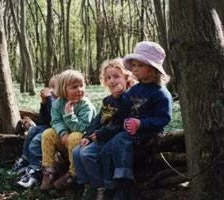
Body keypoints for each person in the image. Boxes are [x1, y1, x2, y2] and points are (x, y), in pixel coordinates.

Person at [100, 41, 173, 199]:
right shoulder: (135, 89)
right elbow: (123, 107)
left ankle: (123, 181)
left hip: (148, 132)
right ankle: (108, 184)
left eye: (139, 65)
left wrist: (142, 123)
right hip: (130, 132)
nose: (134, 69)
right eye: (133, 65)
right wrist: (117, 98)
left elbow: (164, 118)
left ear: (152, 69)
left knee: (120, 141)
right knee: (106, 149)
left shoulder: (161, 93)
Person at [72, 58, 137, 200]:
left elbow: (122, 122)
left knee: (86, 154)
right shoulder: (109, 100)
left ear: (126, 78)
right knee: (76, 152)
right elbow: (100, 120)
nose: (112, 81)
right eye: (108, 78)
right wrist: (87, 135)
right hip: (103, 135)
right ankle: (87, 185)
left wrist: (102, 134)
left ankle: (101, 187)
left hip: (114, 138)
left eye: (116, 76)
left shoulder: (130, 99)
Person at [40, 69, 97, 190]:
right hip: (65, 139)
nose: (79, 89)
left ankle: (73, 174)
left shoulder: (85, 105)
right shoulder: (58, 104)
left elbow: (83, 127)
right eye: (74, 87)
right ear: (63, 89)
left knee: (75, 136)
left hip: (83, 142)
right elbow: (55, 121)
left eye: (81, 86)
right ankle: (49, 171)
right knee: (47, 134)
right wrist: (62, 133)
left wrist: (69, 115)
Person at [12, 75, 58, 188]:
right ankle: (24, 160)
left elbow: (56, 117)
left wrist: (51, 99)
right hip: (50, 126)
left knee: (37, 141)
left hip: (58, 129)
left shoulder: (61, 101)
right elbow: (43, 120)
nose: (50, 89)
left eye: (54, 87)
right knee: (33, 130)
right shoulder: (51, 100)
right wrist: (43, 103)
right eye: (50, 86)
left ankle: (35, 171)